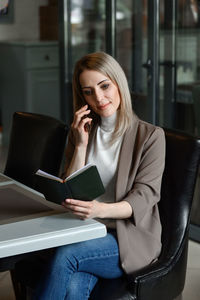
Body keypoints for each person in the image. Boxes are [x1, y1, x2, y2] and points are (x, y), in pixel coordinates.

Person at [34, 52, 166, 300]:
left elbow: (144, 197)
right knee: (73, 287)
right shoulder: (83, 130)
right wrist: (81, 144)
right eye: (88, 91)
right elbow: (69, 187)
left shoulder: (150, 136)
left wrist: (98, 210)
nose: (99, 97)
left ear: (118, 82)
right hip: (86, 229)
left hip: (127, 237)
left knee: (67, 255)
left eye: (104, 86)